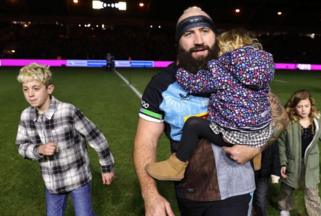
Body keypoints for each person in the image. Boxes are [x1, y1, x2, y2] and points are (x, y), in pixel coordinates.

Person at [133, 6, 288, 216]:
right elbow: (145, 142)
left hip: (237, 191)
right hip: (190, 193)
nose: (199, 40)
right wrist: (150, 194)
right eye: (189, 33)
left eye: (205, 31)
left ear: (215, 36)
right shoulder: (161, 84)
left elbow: (281, 118)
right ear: (178, 40)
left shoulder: (238, 72)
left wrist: (256, 148)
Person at [145, 29, 274, 181]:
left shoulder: (223, 72)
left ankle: (176, 166)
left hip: (235, 134)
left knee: (193, 125)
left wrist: (180, 69)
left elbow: (194, 84)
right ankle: (257, 156)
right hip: (260, 132)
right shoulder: (262, 71)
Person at [16, 63, 115, 216]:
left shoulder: (68, 111)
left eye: (36, 88)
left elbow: (96, 137)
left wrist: (107, 167)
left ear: (49, 89)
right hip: (52, 183)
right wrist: (38, 149)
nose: (30, 94)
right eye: (25, 89)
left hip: (78, 179)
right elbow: (21, 146)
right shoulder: (26, 116)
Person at [277, 89, 321, 216]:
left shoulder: (317, 122)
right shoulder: (289, 123)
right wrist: (283, 162)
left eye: (306, 106)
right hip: (292, 162)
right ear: (294, 107)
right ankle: (284, 207)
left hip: (310, 165)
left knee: (312, 193)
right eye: (299, 106)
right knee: (287, 188)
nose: (303, 109)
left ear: (311, 106)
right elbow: (281, 143)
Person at [252, 142, 280, 216]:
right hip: (248, 174)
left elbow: (275, 156)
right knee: (248, 201)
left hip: (263, 175)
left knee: (261, 200)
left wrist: (275, 174)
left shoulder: (271, 138)